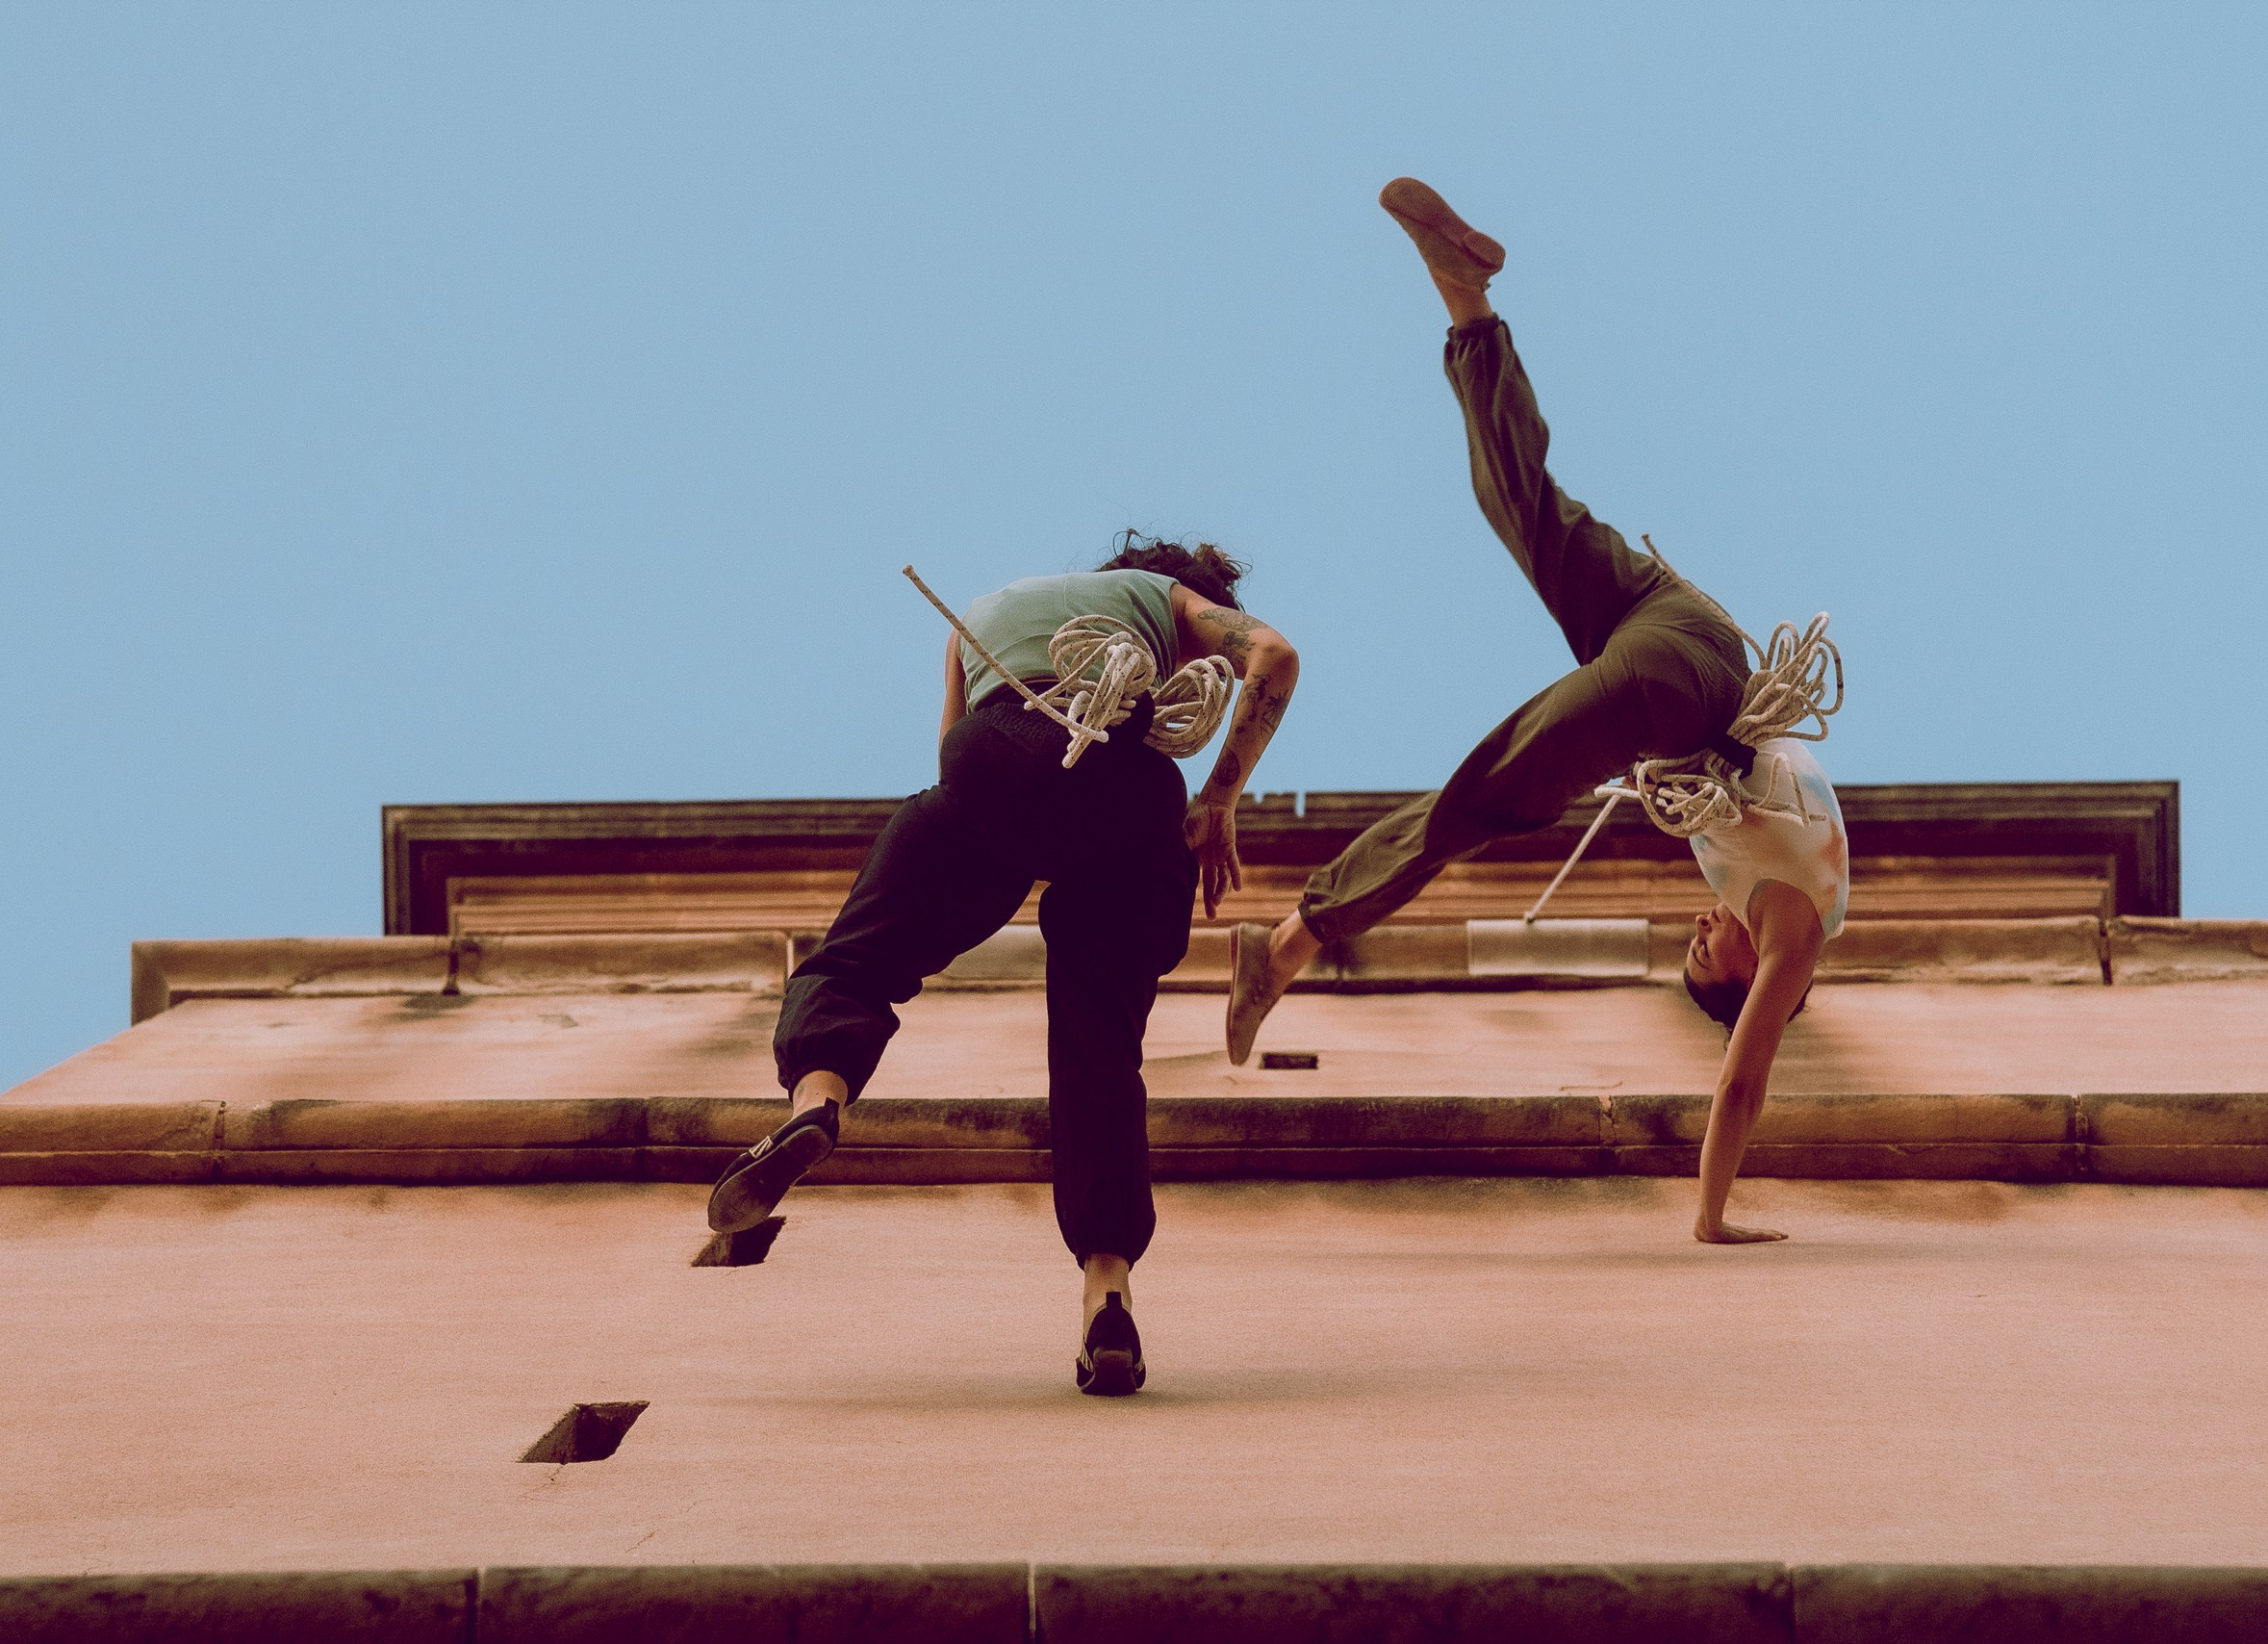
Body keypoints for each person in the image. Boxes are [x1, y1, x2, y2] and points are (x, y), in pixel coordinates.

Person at [1224, 178, 1846, 1246]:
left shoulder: (1773, 891)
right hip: (1682, 684)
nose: (1700, 933)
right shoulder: (1791, 934)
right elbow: (1742, 1087)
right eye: (1708, 957)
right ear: (1757, 987)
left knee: (1523, 506)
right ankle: (1291, 940)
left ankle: (1466, 305)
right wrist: (1710, 1218)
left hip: (1677, 629)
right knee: (1490, 795)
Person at [708, 533, 1299, 1394]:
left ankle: (815, 1104)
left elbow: (953, 754)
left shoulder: (978, 618)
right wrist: (1218, 800)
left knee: (856, 961)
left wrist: (997, 830)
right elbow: (1273, 658)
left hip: (988, 765)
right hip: (1126, 794)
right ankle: (1108, 1292)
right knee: (1100, 1052)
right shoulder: (1167, 601)